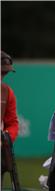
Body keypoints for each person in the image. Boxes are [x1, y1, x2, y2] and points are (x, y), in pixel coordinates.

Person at [1, 50, 19, 181]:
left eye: (5, 72)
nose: (3, 75)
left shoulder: (7, 92)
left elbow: (12, 122)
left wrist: (6, 139)